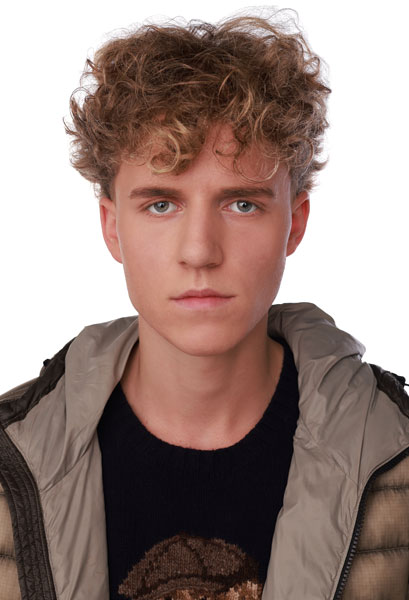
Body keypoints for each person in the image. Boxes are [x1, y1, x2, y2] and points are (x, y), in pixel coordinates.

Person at [0, 11, 408, 600]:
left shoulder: (396, 454)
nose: (199, 251)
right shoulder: (10, 459)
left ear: (294, 224)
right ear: (112, 228)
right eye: (161, 205)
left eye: (241, 204)